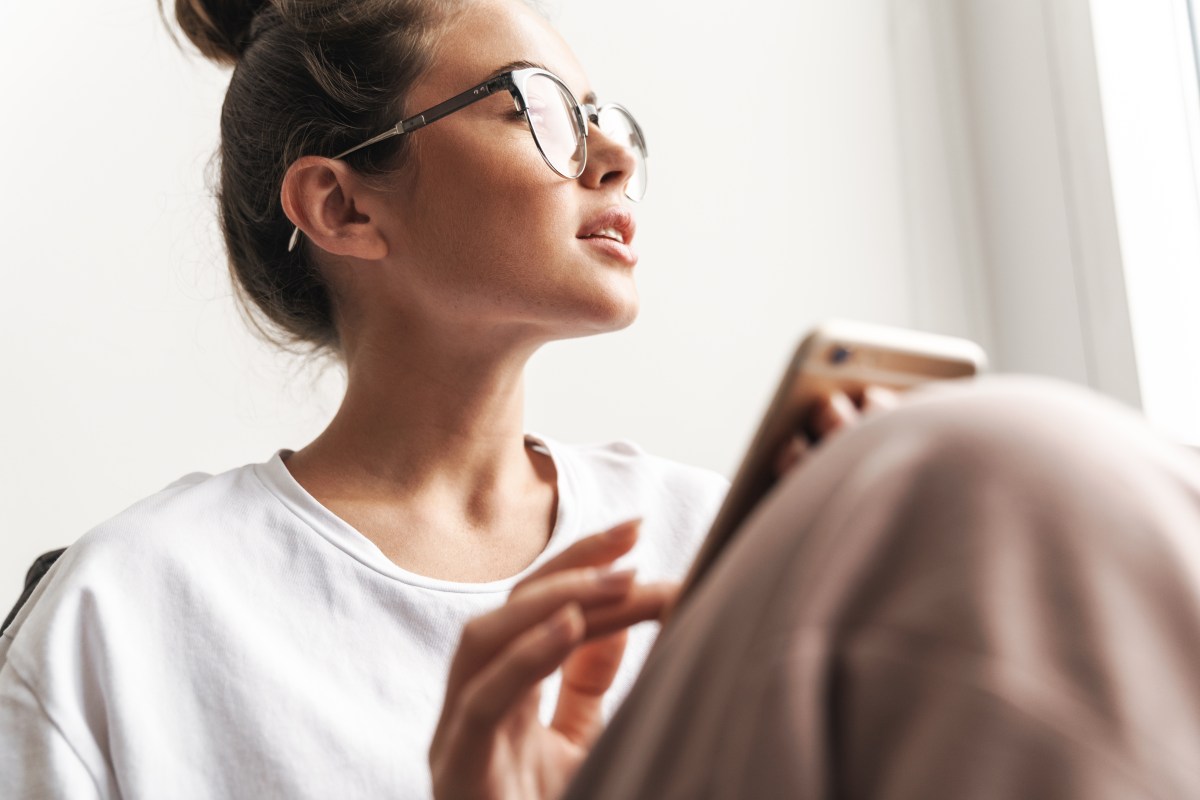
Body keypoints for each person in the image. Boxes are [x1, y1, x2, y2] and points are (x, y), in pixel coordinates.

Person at [5, 2, 1200, 800]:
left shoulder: (715, 543)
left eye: (610, 119)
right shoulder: (126, 615)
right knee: (1009, 466)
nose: (612, 157)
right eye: (540, 107)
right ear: (345, 208)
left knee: (993, 505)